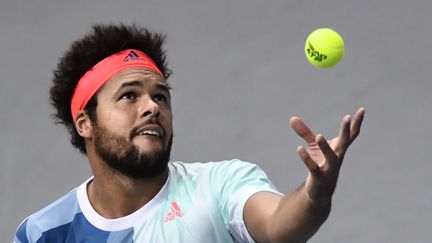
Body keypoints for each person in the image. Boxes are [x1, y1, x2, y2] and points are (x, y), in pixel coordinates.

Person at [14, 23, 365, 243]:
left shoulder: (219, 186)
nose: (152, 107)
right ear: (84, 122)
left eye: (160, 96)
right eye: (128, 95)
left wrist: (314, 195)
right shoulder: (42, 234)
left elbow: (277, 226)